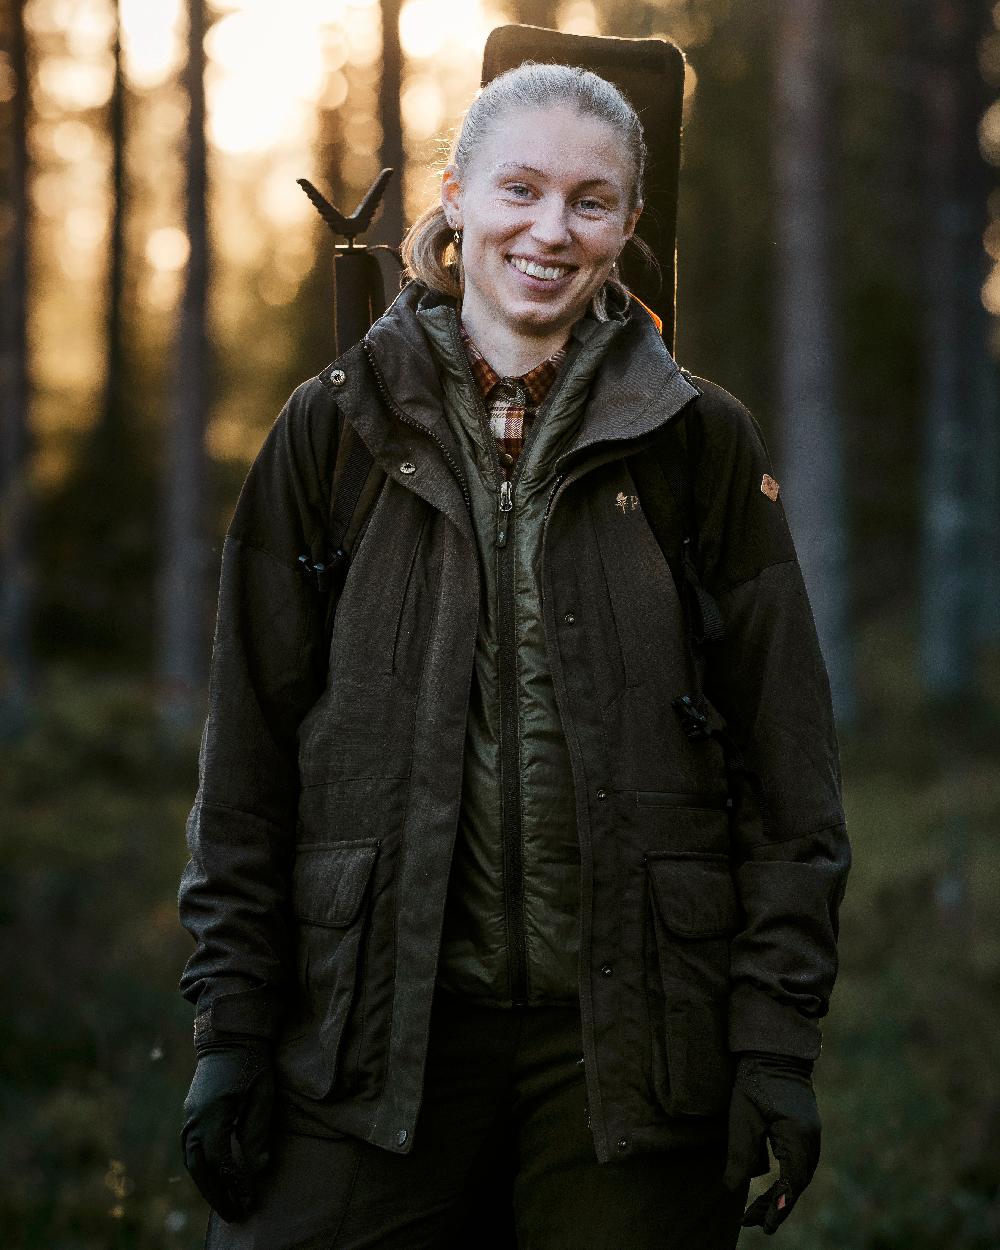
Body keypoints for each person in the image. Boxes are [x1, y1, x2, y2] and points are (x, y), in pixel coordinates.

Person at [178, 61, 851, 1250]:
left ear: (629, 226)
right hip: (368, 1034)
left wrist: (773, 1040)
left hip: (630, 1054)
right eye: (521, 188)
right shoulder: (331, 427)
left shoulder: (698, 440)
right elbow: (247, 758)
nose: (551, 228)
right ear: (455, 196)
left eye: (592, 200)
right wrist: (232, 1024)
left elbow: (788, 774)